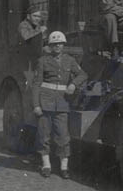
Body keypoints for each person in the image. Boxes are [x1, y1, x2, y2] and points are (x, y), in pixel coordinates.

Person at [32, 31, 88, 179]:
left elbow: (83, 74)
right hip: (45, 103)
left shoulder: (69, 60)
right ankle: (46, 165)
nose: (57, 46)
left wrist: (74, 85)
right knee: (44, 135)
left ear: (63, 45)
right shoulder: (43, 61)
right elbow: (36, 84)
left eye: (60, 44)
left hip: (63, 104)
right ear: (50, 46)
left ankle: (64, 167)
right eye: (54, 44)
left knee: (63, 136)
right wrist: (36, 105)